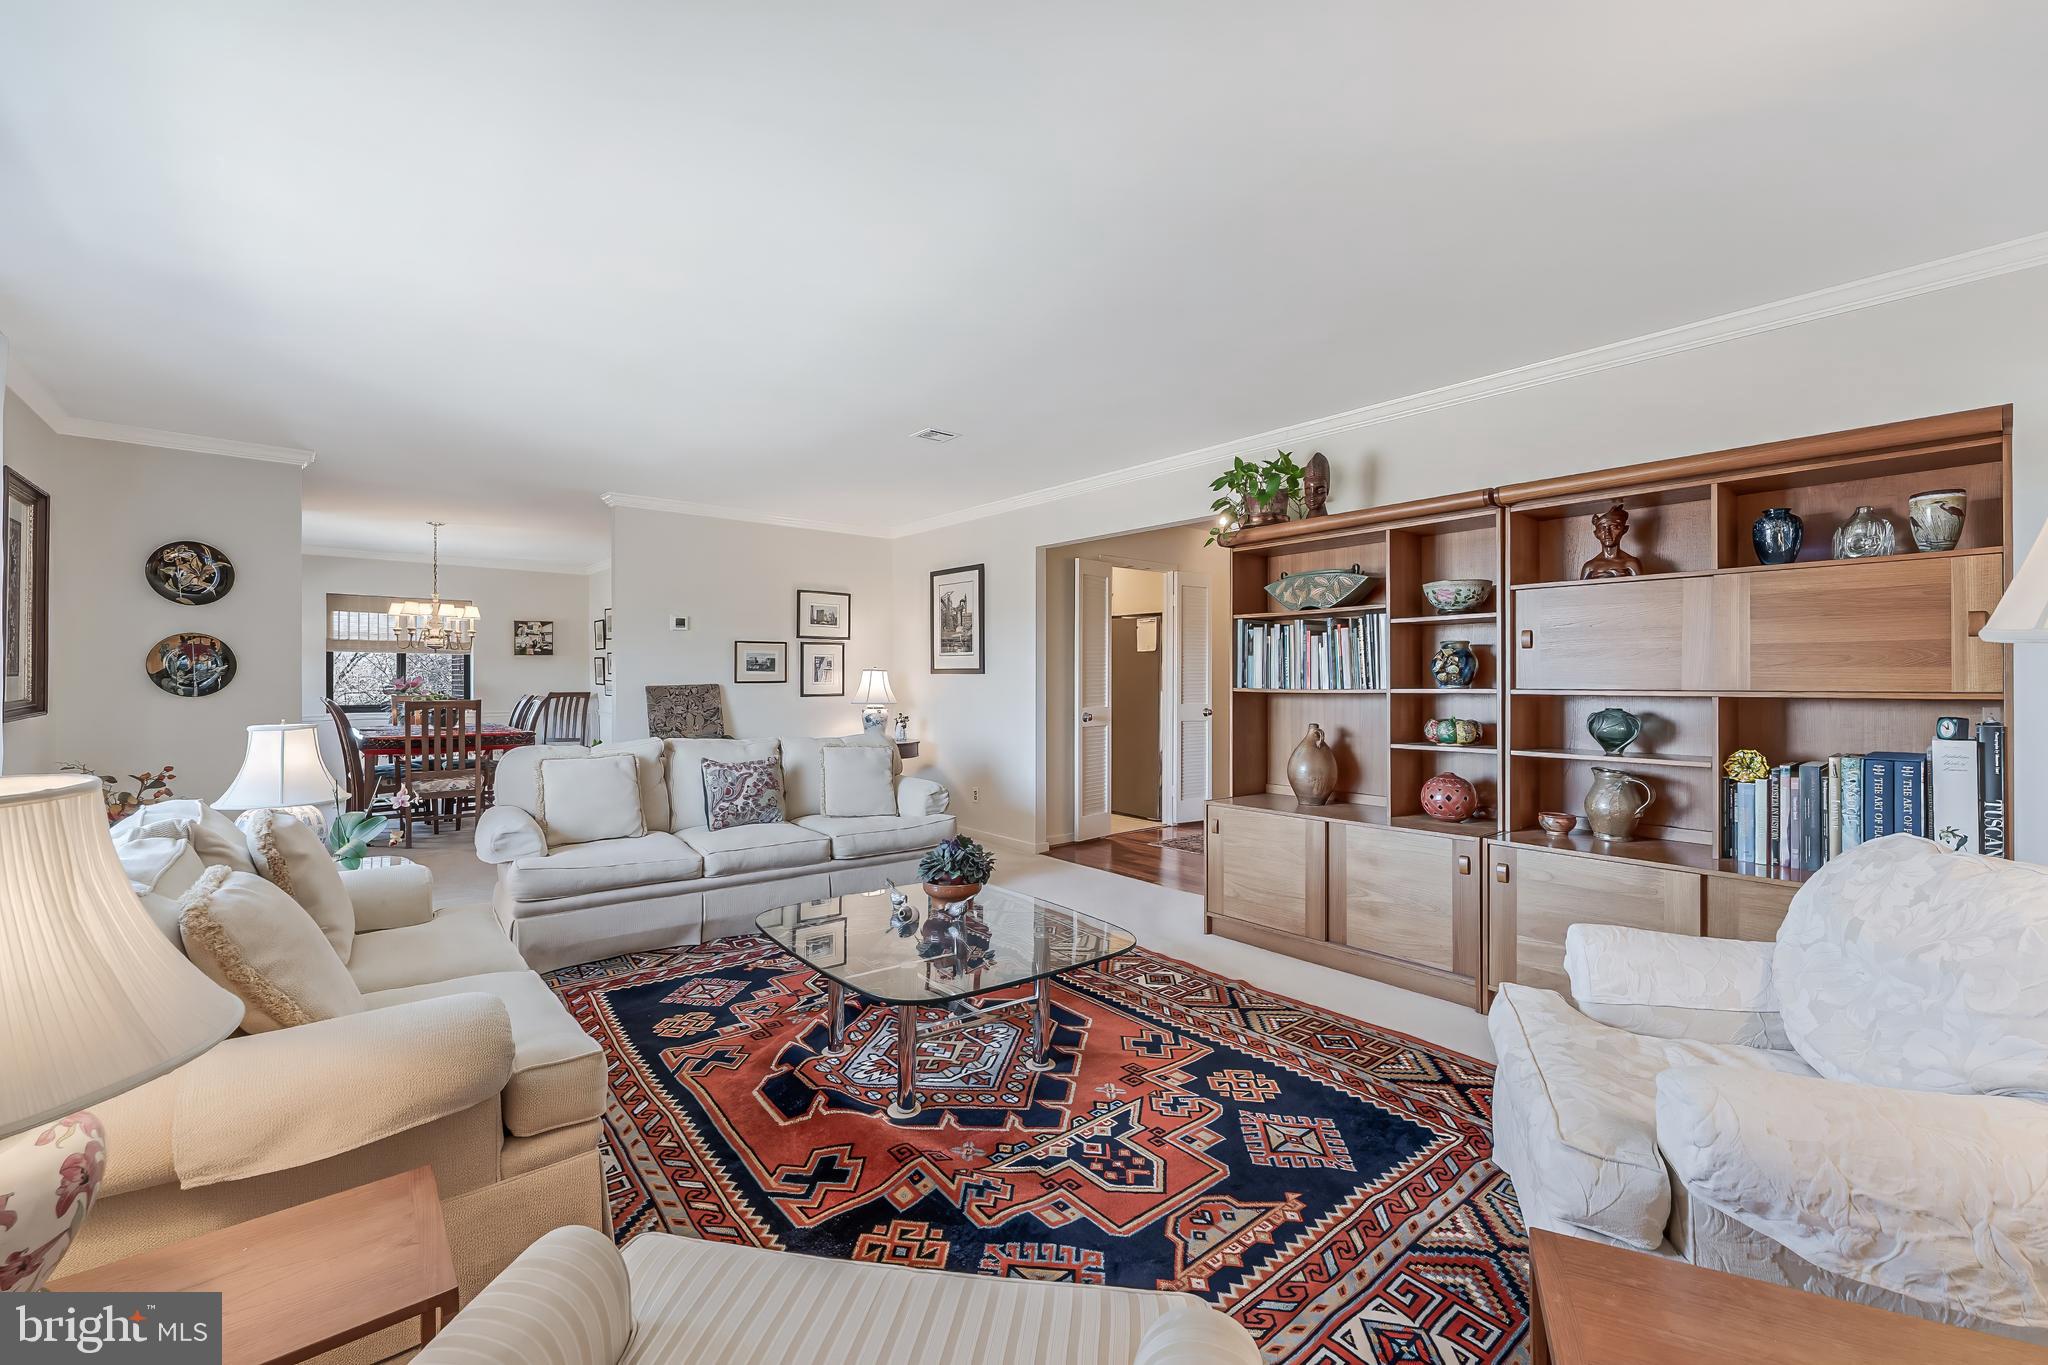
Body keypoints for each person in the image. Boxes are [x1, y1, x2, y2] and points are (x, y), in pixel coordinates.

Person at [1580, 500, 1643, 578]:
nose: (1607, 533)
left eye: (1614, 527)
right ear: (1596, 534)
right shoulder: (1589, 566)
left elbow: (1640, 588)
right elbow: (1582, 589)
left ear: (1624, 530)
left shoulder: (1631, 563)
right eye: (1602, 529)